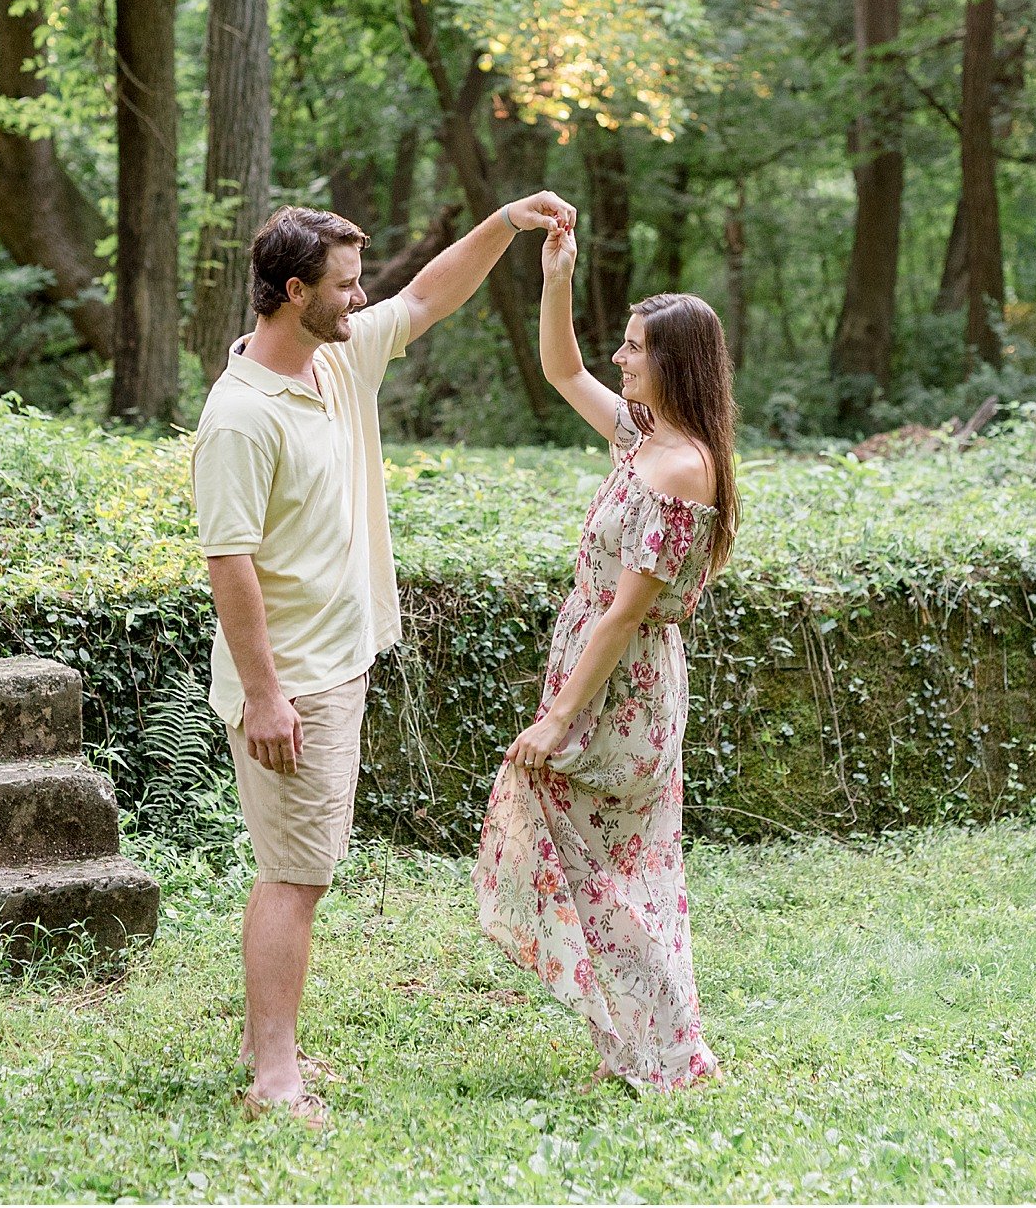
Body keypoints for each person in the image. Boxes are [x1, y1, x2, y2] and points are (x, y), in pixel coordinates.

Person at [194, 194, 574, 1127]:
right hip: (293, 685)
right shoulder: (241, 416)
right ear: (293, 292)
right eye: (345, 283)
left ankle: (262, 1043)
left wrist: (505, 224)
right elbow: (227, 562)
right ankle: (274, 1078)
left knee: (298, 861)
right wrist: (268, 694)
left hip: (338, 665)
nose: (362, 297)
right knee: (295, 873)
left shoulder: (339, 355)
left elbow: (430, 297)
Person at [474, 217, 739, 1092]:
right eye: (622, 347)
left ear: (674, 362)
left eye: (634, 349)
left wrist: (556, 718)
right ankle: (647, 1047)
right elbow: (562, 370)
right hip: (598, 673)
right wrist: (559, 273)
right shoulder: (642, 438)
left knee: (610, 865)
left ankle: (667, 1051)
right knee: (623, 867)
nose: (620, 360)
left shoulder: (680, 468)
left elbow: (625, 615)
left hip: (621, 688)